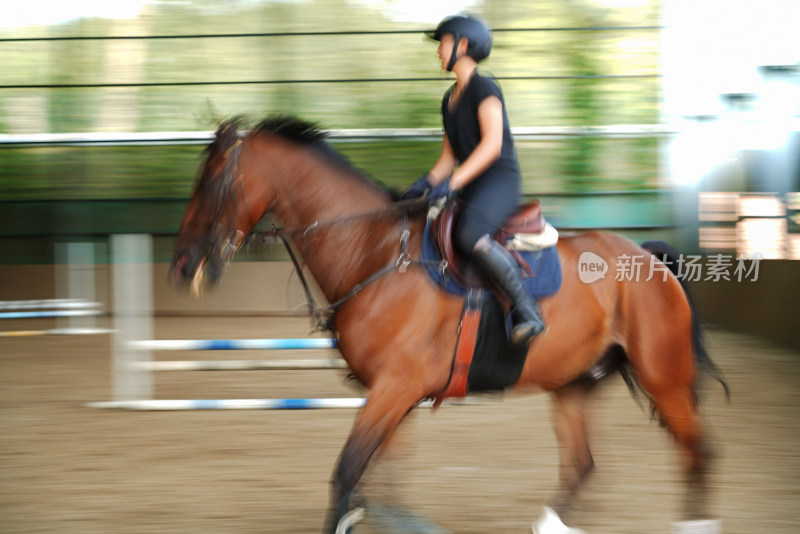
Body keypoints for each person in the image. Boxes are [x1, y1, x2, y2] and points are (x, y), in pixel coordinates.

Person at [401, 14, 545, 346]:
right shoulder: (449, 100)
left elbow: (492, 146)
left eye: (444, 43)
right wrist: (424, 183)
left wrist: (450, 185)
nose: (439, 51)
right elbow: (449, 157)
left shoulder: (485, 87)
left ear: (463, 45)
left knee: (468, 235)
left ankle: (527, 309)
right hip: (471, 182)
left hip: (499, 179)